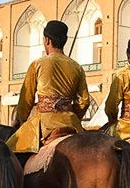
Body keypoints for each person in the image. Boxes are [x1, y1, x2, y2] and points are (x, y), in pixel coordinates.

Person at [6, 20, 89, 155]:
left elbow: (26, 99)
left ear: (47, 40)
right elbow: (84, 101)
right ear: (65, 40)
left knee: (8, 153)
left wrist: (20, 120)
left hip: (45, 124)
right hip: (71, 123)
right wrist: (72, 115)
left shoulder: (38, 64)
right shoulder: (77, 67)